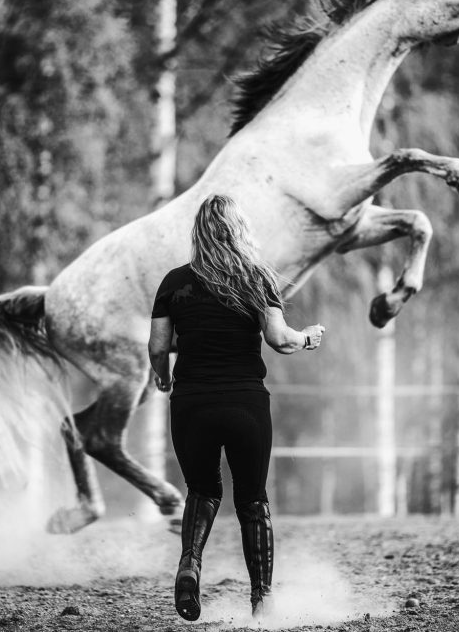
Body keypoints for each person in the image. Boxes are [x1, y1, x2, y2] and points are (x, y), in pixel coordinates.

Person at [148, 194, 325, 621]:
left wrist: (165, 378)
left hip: (191, 404)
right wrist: (307, 337)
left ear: (200, 233)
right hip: (245, 402)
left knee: (203, 490)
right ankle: (262, 600)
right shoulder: (257, 279)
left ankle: (190, 563)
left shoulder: (174, 282)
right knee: (252, 501)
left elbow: (157, 346)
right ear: (238, 231)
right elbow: (280, 340)